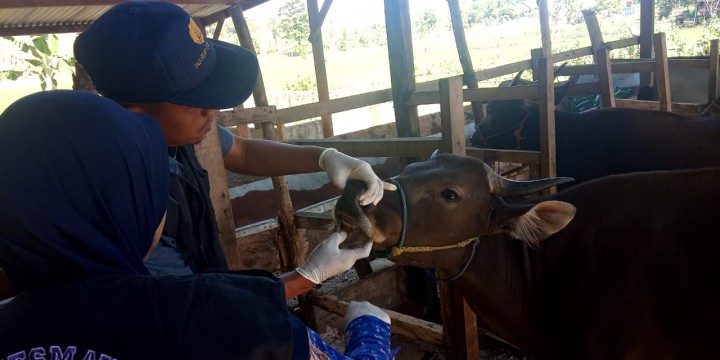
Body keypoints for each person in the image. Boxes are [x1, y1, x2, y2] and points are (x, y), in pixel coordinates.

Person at [0, 90, 394, 359]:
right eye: (152, 189)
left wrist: (321, 156)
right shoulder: (221, 322)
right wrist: (370, 330)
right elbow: (206, 311)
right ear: (120, 213)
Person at [72, 1, 395, 290]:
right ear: (135, 111)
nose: (212, 111)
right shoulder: (128, 202)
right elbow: (192, 309)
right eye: (193, 102)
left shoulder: (173, 130)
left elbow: (240, 151)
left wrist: (325, 157)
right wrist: (308, 275)